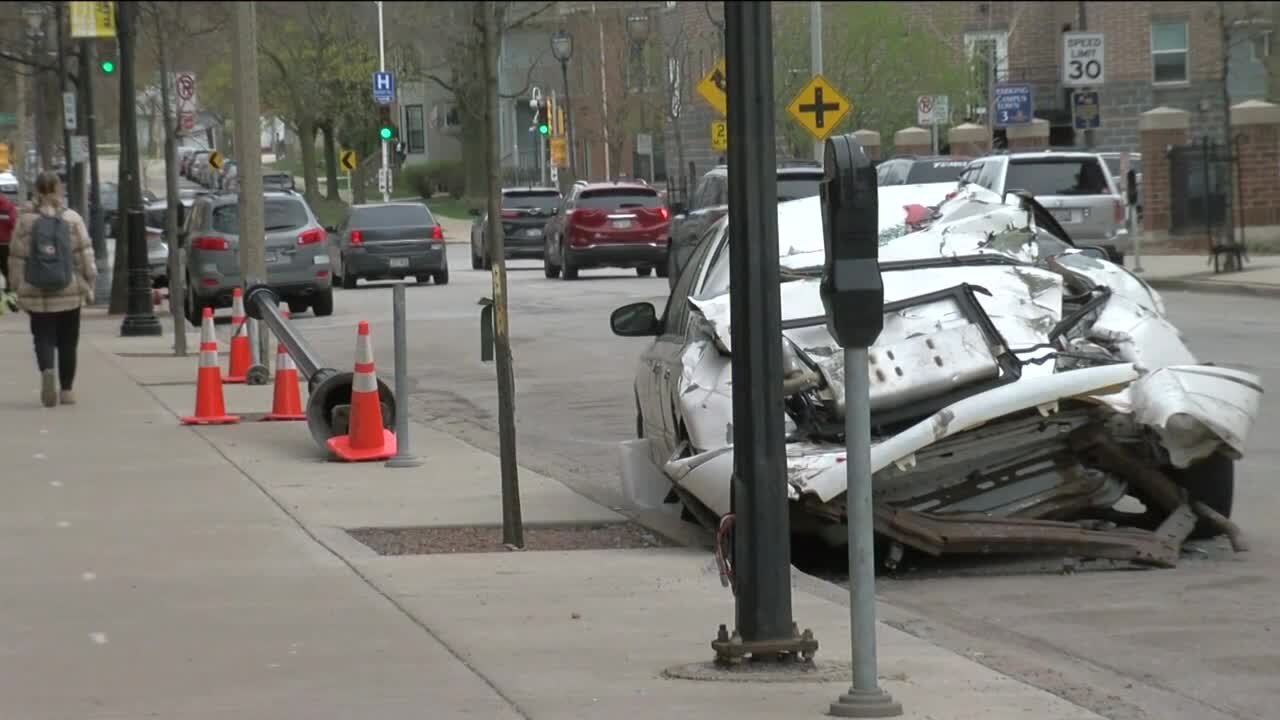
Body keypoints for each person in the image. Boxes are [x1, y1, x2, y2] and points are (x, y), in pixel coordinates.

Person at [7, 171, 96, 408]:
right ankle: (66, 390)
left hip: (36, 289)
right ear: (59, 189)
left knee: (42, 336)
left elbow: (16, 258)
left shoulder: (25, 221)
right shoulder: (72, 219)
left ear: (35, 191)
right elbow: (85, 255)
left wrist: (16, 286)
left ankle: (47, 369)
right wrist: (89, 282)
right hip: (69, 288)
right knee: (68, 340)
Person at [0, 190, 15, 289]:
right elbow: (13, 223)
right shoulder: (8, 206)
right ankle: (9, 296)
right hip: (5, 244)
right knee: (7, 271)